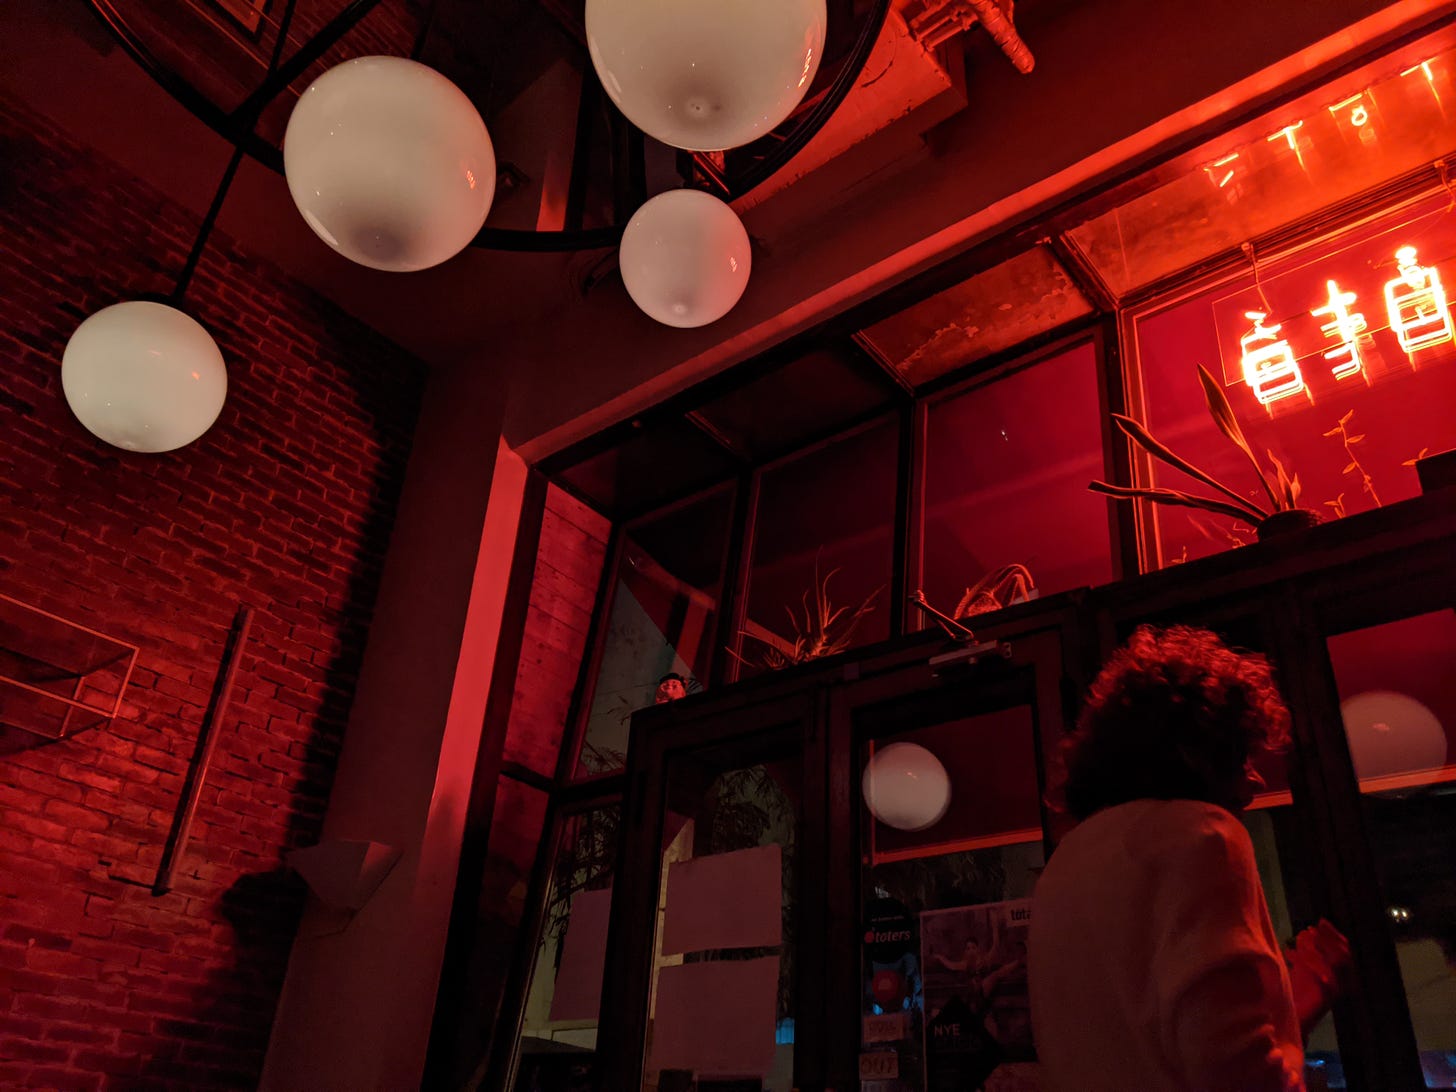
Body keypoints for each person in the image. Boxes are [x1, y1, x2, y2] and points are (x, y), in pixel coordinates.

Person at [1028, 625, 1349, 1092]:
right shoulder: (1203, 835)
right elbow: (1238, 1079)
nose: (1257, 782)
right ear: (1197, 754)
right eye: (1243, 758)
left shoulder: (1063, 867)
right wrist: (1308, 993)